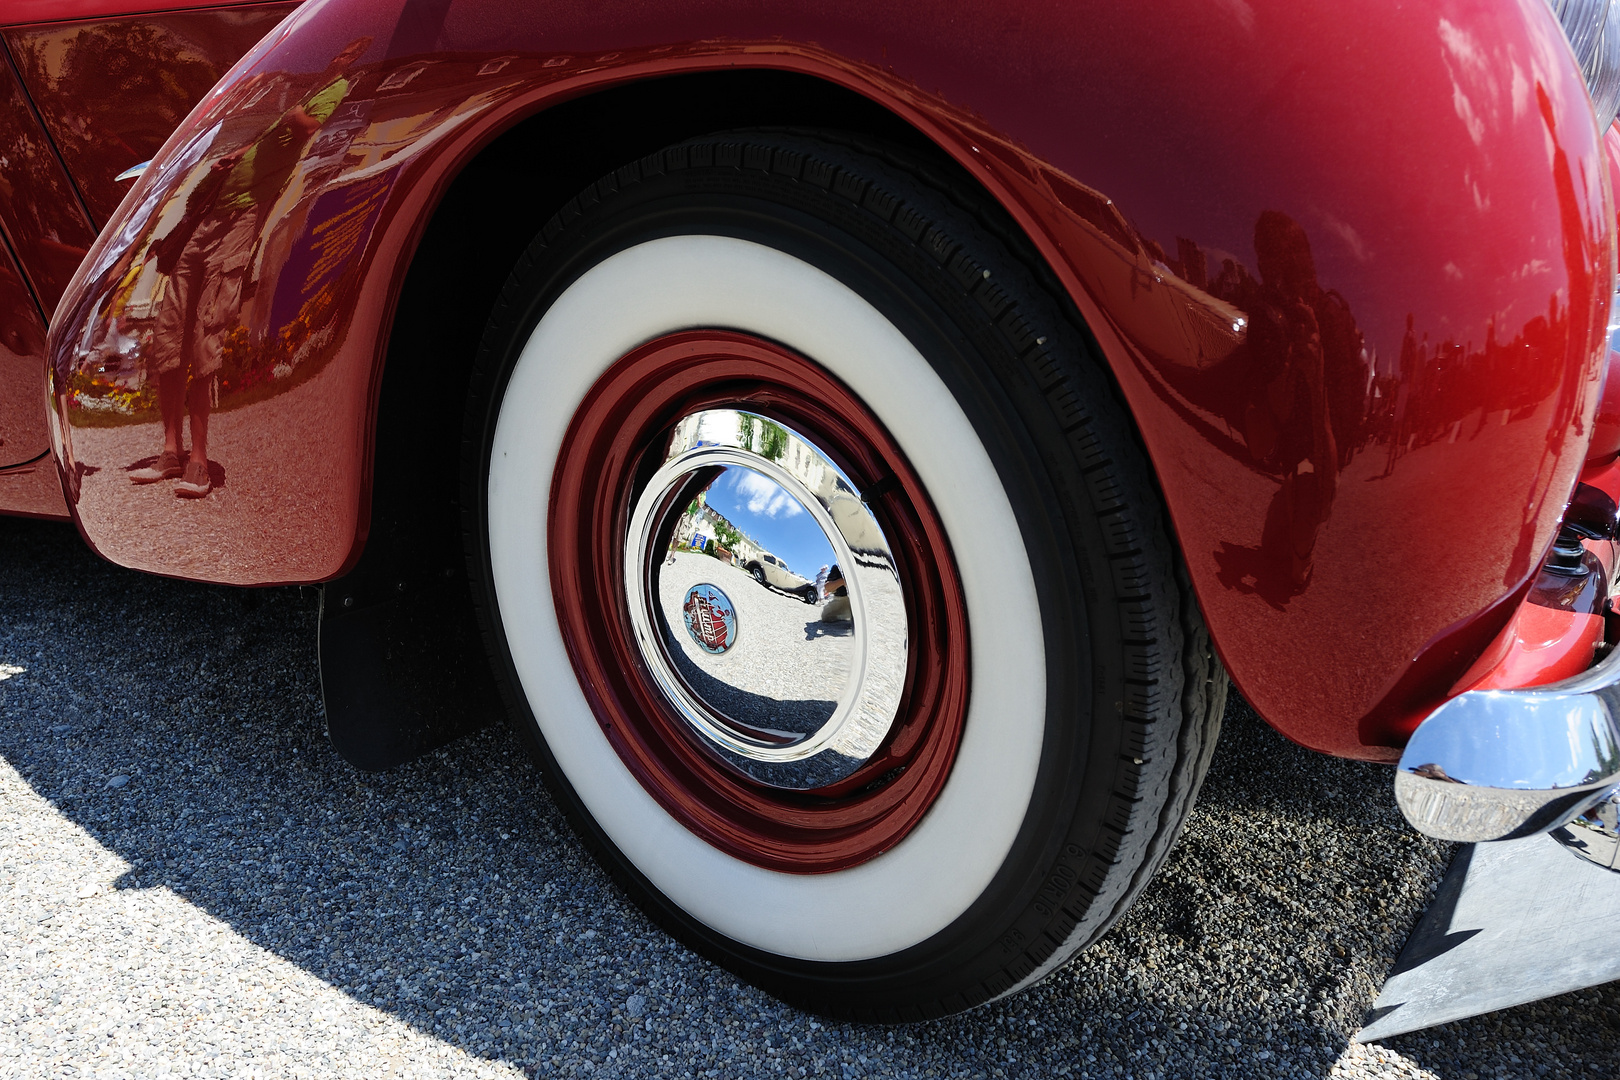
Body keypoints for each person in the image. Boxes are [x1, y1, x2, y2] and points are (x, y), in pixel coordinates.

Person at [130, 38, 371, 498]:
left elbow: (305, 126)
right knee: (169, 332)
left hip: (240, 222)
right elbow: (261, 140)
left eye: (351, 50)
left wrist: (280, 91)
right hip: (204, 220)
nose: (345, 51)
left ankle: (198, 460)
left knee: (205, 334)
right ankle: (169, 450)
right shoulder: (287, 89)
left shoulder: (327, 88)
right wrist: (236, 156)